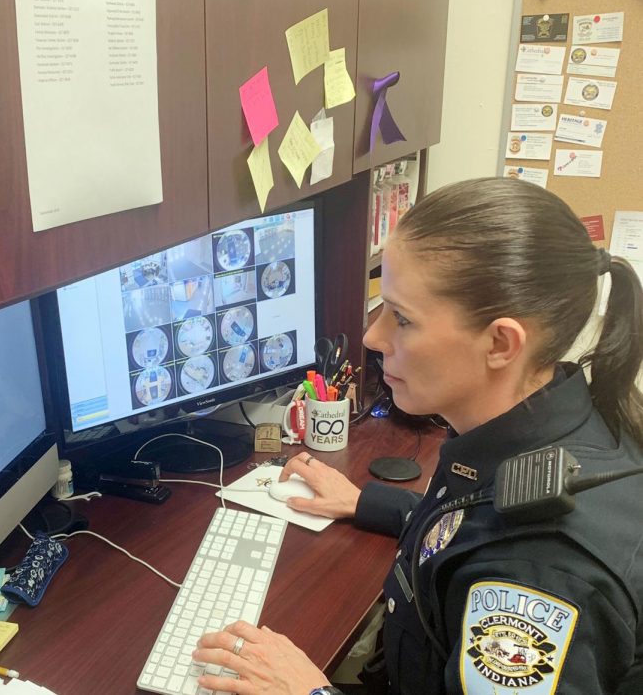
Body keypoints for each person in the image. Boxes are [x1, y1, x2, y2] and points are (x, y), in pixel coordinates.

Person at [191, 177, 643, 695]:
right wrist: (367, 503)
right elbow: (478, 522)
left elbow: (502, 543)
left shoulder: (536, 576)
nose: (373, 337)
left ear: (500, 342)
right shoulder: (562, 420)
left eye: (402, 318)